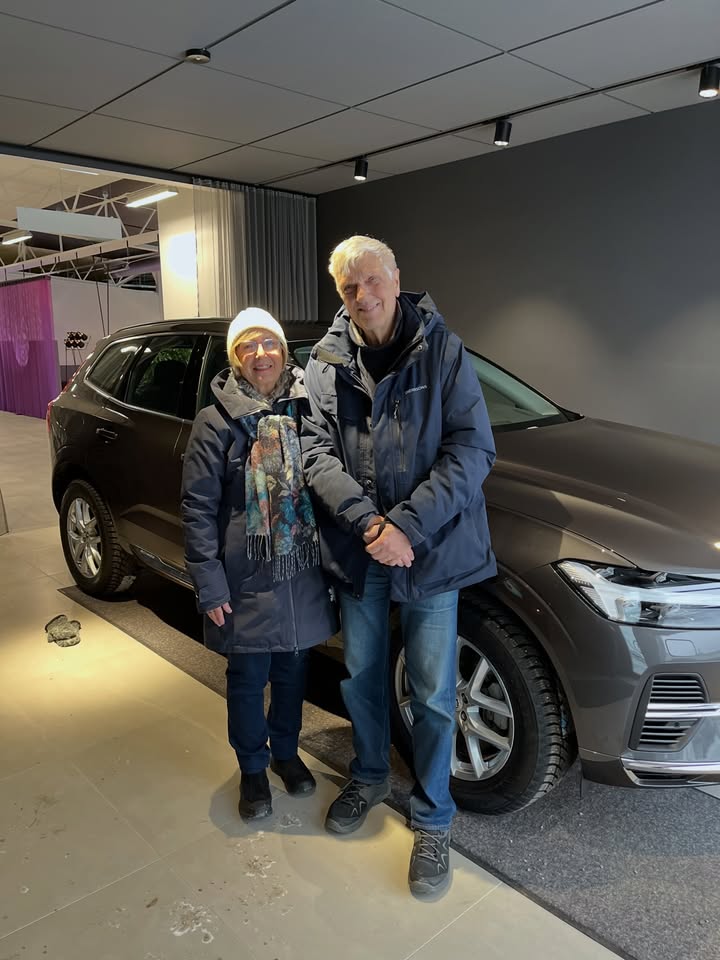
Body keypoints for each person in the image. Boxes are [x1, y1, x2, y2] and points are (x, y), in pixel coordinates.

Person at [301, 236, 496, 896]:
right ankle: (369, 774)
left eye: (372, 280)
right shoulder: (325, 361)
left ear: (396, 278)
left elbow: (472, 450)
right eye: (349, 287)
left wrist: (405, 526)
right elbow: (315, 453)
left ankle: (433, 816)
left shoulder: (443, 350)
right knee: (361, 675)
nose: (363, 296)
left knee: (434, 692)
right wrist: (369, 525)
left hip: (429, 549)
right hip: (364, 548)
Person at [181, 307, 336, 822]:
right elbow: (197, 508)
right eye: (247, 345)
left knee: (293, 671)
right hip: (244, 578)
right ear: (235, 358)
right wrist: (209, 583)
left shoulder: (308, 409)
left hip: (300, 572)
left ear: (283, 351)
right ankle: (252, 767)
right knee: (248, 677)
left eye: (268, 342)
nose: (260, 354)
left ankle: (285, 753)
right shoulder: (215, 422)